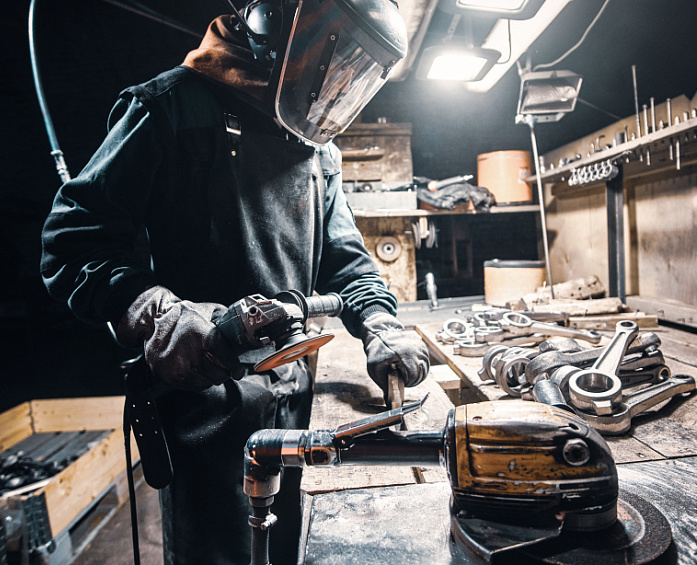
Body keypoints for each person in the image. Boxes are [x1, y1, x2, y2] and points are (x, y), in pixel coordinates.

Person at [40, 1, 428, 563]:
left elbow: (345, 262)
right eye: (335, 58)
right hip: (205, 410)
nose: (338, 81)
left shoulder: (317, 146)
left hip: (294, 403)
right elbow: (73, 241)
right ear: (276, 24)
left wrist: (379, 323)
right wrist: (161, 313)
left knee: (294, 547)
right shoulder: (170, 107)